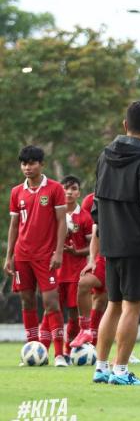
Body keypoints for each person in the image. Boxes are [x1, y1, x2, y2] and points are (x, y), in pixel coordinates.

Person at [91, 100, 140, 385]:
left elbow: (96, 204)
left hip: (110, 245)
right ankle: (120, 371)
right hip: (136, 248)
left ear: (125, 125)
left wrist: (106, 234)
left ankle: (100, 368)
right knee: (131, 307)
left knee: (112, 305)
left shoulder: (104, 156)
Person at [4, 145, 68, 366]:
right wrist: (8, 256)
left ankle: (60, 354)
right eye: (24, 163)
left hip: (45, 256)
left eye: (31, 163)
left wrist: (58, 252)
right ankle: (31, 349)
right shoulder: (16, 192)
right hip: (22, 256)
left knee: (51, 302)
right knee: (27, 301)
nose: (27, 167)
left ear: (42, 165)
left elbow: (62, 222)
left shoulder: (55, 189)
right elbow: (14, 226)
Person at [57, 175, 93, 356]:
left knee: (72, 315)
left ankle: (67, 352)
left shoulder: (85, 217)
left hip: (74, 274)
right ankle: (43, 350)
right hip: (54, 271)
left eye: (73, 189)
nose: (69, 192)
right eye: (66, 188)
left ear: (79, 192)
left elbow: (92, 247)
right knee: (52, 312)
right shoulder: (53, 214)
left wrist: (75, 252)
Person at [70, 192, 107, 348]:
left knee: (108, 303)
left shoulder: (130, 196)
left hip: (125, 257)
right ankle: (85, 330)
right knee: (84, 283)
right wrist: (91, 260)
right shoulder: (93, 200)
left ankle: (121, 352)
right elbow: (94, 232)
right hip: (103, 258)